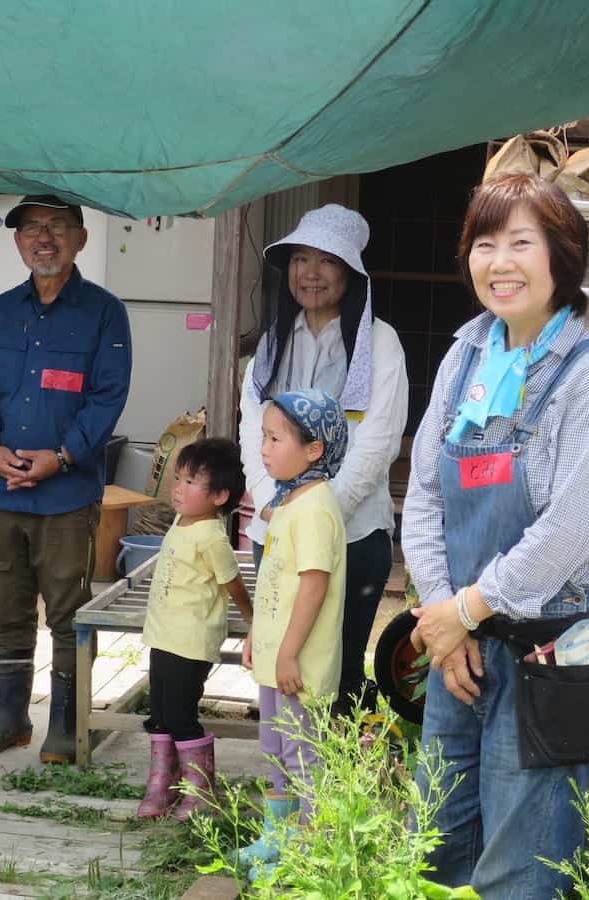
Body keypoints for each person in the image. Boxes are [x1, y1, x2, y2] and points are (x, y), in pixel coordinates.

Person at [402, 173, 589, 897]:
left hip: (548, 650)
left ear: (562, 256)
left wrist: (465, 610)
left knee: (522, 864)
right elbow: (422, 494)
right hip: (461, 647)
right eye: (484, 243)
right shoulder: (464, 356)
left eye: (521, 242)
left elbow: (570, 530)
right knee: (436, 846)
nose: (499, 261)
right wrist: (446, 616)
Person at [0, 194, 132, 764]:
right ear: (17, 242)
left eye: (58, 227)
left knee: (68, 612)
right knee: (6, 609)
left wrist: (60, 457)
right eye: (32, 228)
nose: (45, 238)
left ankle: (67, 722)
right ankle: (7, 717)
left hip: (65, 493)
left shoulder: (105, 312)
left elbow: (107, 398)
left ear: (81, 237)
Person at [239, 204, 407, 718]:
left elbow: (379, 441)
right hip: (275, 533)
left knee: (340, 668)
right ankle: (287, 780)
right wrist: (273, 505)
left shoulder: (379, 342)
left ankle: (335, 790)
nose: (309, 273)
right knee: (279, 660)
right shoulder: (273, 342)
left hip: (354, 535)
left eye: (325, 261)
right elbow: (251, 428)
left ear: (351, 273)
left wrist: (318, 513)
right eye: (300, 259)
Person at [238, 388, 348, 875]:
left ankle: (307, 851)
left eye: (275, 438)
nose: (264, 448)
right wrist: (257, 639)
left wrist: (286, 654)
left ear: (314, 450)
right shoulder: (289, 502)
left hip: (298, 663)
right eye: (264, 436)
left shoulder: (316, 507)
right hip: (278, 657)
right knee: (277, 750)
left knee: (304, 756)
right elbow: (274, 584)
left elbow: (312, 587)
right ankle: (276, 836)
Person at [136, 438, 253, 820]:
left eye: (191, 482)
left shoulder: (212, 535)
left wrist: (253, 621)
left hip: (191, 641)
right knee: (160, 712)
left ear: (220, 495)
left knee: (182, 713)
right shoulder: (181, 520)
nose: (178, 487)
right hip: (163, 635)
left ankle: (200, 792)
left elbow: (232, 581)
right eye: (179, 478)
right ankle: (163, 784)